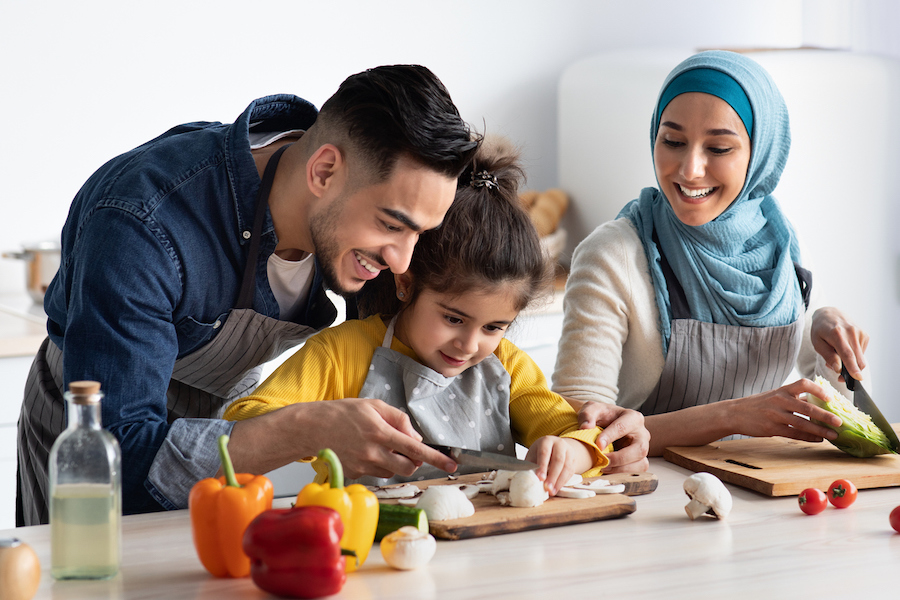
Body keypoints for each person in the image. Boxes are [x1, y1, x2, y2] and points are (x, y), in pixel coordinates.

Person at [16, 65, 482, 526]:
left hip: (221, 421)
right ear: (323, 171)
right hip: (91, 425)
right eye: (391, 225)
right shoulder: (143, 225)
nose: (402, 261)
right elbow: (123, 459)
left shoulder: (365, 219)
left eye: (420, 233)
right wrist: (304, 430)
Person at [225, 138, 637, 493]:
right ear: (406, 283)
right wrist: (322, 425)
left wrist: (574, 450)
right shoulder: (339, 353)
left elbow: (579, 431)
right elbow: (241, 421)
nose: (470, 345)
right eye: (454, 319)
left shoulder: (507, 366)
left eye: (494, 327)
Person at [553, 50, 869, 456]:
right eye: (673, 141)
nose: (689, 170)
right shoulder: (613, 255)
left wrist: (832, 338)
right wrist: (730, 417)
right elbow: (574, 427)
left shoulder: (780, 252)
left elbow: (851, 420)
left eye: (718, 148)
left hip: (766, 497)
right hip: (652, 499)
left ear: (759, 154)